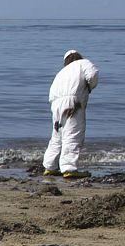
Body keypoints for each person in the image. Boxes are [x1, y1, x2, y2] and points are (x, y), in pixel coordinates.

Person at [43, 50, 100, 179]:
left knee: (57, 136)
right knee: (73, 133)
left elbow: (51, 93)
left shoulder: (61, 72)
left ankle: (49, 166)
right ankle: (69, 168)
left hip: (56, 104)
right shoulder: (83, 63)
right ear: (78, 57)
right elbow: (93, 74)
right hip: (73, 102)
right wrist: (90, 87)